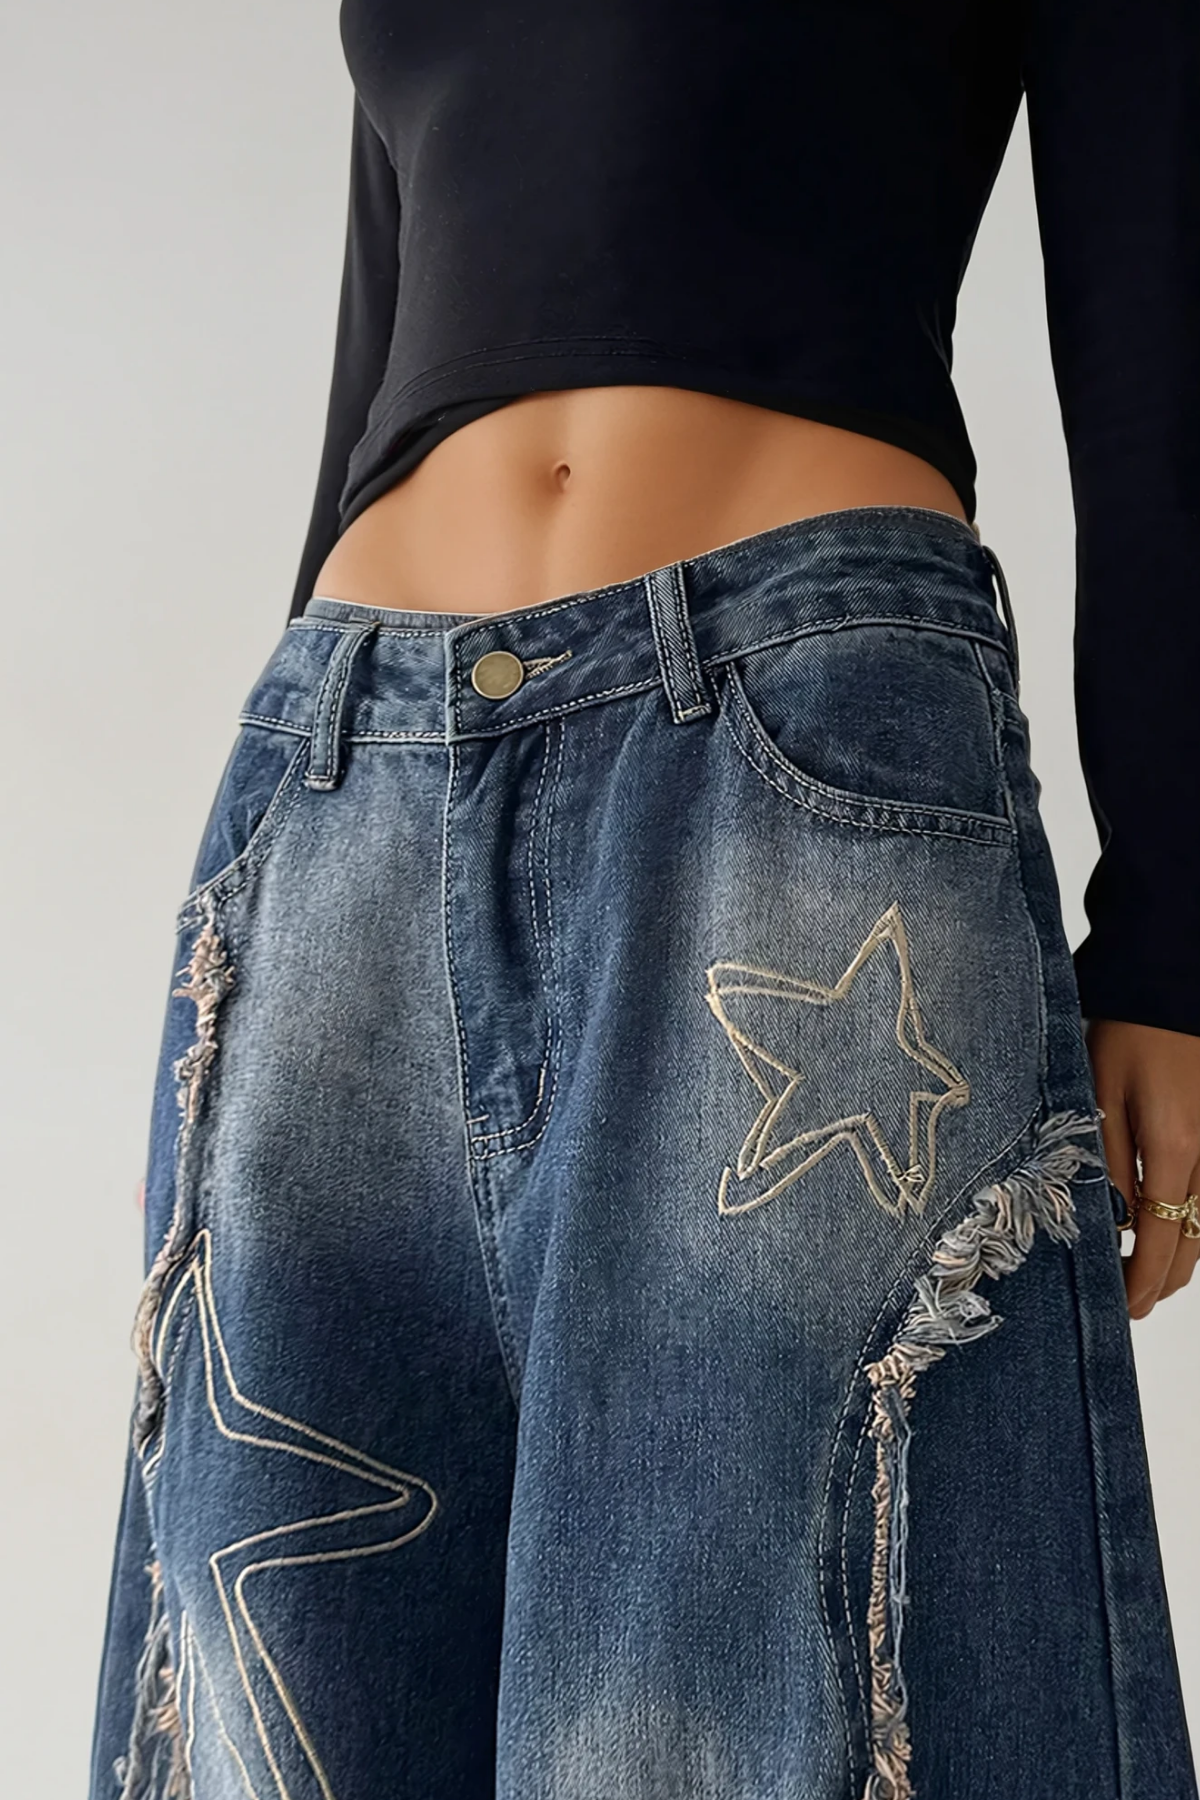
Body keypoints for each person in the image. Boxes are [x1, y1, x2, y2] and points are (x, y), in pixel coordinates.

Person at [89, 5, 1199, 1798]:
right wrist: (270, 873)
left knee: (755, 1716)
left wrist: (1176, 928)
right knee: (279, 1718)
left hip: (791, 754)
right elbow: (386, 356)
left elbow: (1163, 308)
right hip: (347, 775)